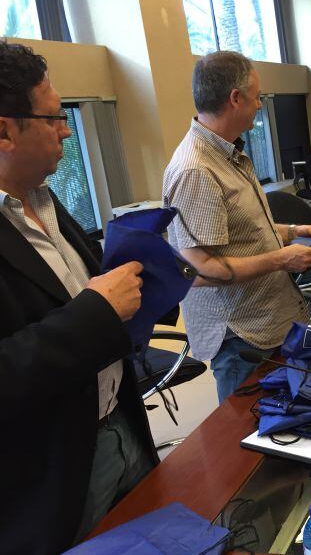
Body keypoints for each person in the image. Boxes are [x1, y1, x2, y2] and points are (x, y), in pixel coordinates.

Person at [0, 40, 156, 553]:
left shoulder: (44, 195)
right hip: (52, 476)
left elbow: (82, 289)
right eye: (53, 117)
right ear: (5, 129)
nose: (67, 128)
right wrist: (96, 312)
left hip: (122, 426)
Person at [163, 51, 311, 403]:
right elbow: (197, 270)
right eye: (257, 98)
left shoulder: (230, 154)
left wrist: (294, 230)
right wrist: (282, 259)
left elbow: (246, 233)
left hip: (271, 321)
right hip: (243, 338)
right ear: (235, 99)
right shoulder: (196, 170)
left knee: (289, 434)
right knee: (252, 446)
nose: (261, 107)